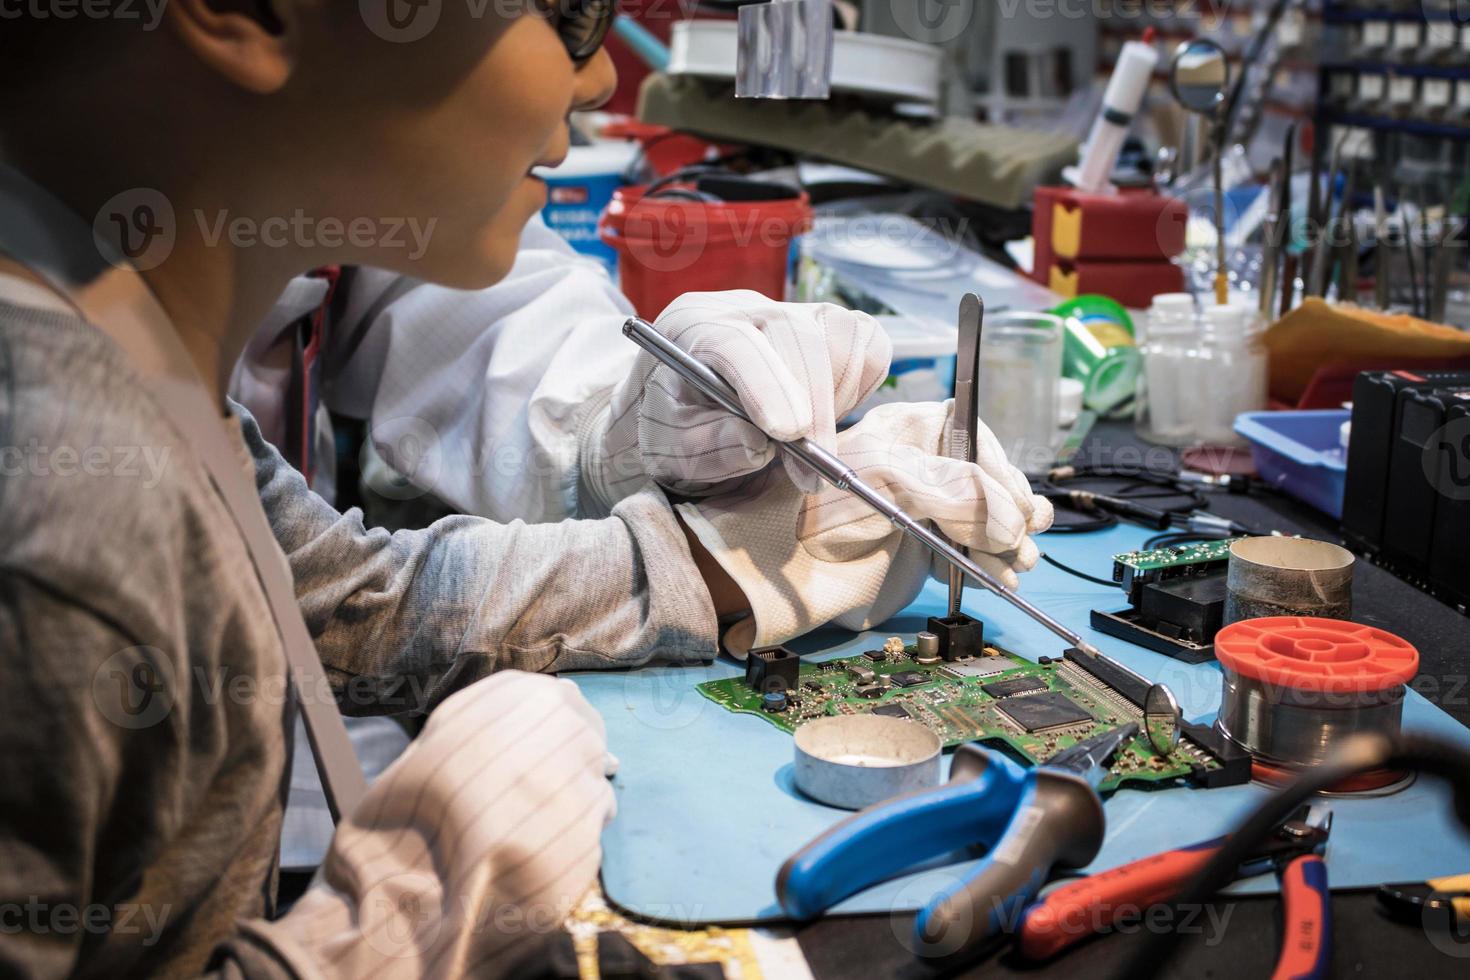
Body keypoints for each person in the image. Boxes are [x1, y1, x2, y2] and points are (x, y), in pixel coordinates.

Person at [0, 5, 1050, 980]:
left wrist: (736, 544)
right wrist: (371, 939)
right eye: (568, 11)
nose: (598, 75)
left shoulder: (122, 334)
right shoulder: (64, 501)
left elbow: (323, 592)